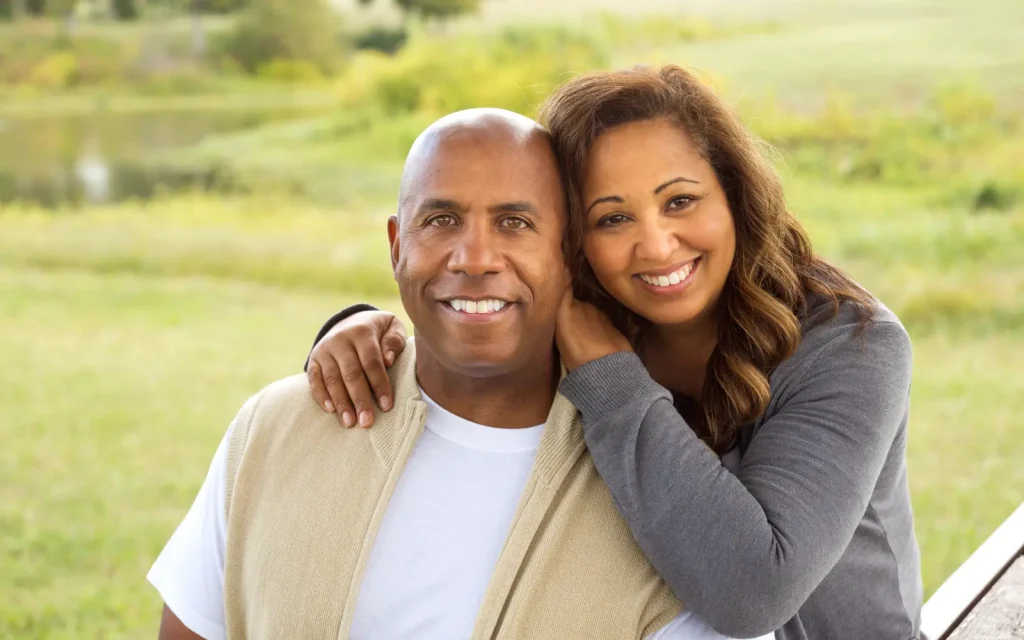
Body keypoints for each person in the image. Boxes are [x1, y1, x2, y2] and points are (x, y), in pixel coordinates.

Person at [304, 66, 923, 640]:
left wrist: (612, 380)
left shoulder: (852, 346)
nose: (655, 247)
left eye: (680, 201)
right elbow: (465, 336)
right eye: (612, 219)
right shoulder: (581, 312)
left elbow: (754, 591)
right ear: (572, 237)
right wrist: (360, 330)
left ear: (733, 194)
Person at [147, 108, 760, 640]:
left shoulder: (670, 488)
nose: (474, 258)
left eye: (515, 223)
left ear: (569, 253)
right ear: (395, 246)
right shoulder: (273, 432)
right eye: (441, 220)